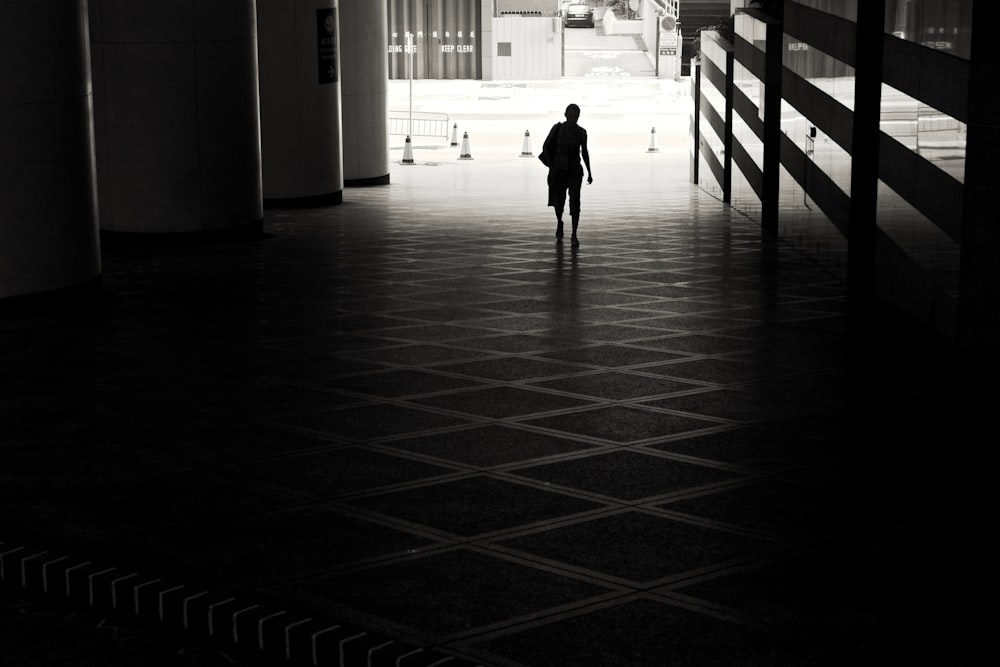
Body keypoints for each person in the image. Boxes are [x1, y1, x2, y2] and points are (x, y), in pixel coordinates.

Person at [542, 103, 593, 246]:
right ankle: (559, 221)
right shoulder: (557, 129)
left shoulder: (581, 132)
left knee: (575, 201)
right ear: (565, 115)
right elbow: (545, 146)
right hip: (559, 171)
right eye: (570, 116)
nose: (573, 119)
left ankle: (574, 234)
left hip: (575, 171)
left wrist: (589, 171)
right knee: (559, 202)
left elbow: (585, 152)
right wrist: (552, 167)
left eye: (575, 116)